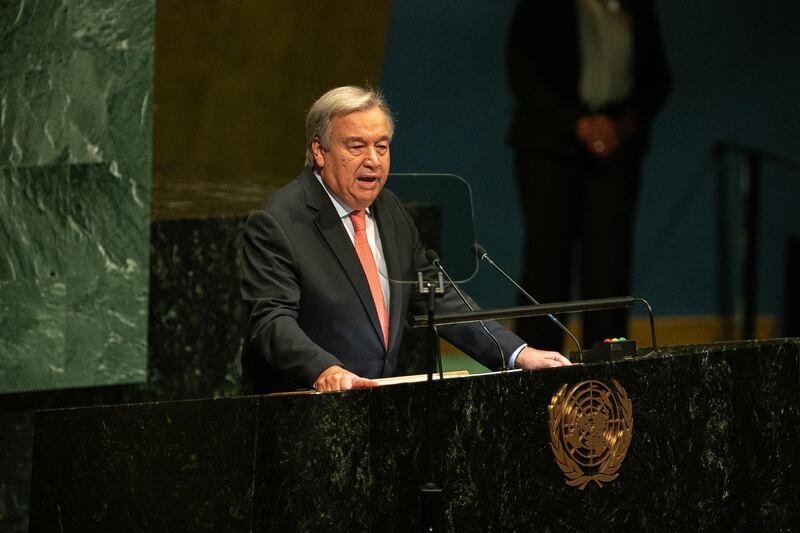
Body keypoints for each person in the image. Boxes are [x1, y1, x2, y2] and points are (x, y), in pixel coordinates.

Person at [241, 85, 570, 393]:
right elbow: (272, 321)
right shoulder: (278, 222)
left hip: (379, 408)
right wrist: (324, 370)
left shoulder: (390, 210)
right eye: (357, 146)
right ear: (320, 151)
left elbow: (438, 298)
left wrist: (518, 353)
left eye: (381, 146)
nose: (373, 159)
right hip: (303, 412)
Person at [507, 0, 671, 351]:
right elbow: (521, 70)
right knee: (546, 266)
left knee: (609, 271)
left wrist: (622, 126)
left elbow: (658, 78)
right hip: (550, 146)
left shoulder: (636, 6)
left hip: (616, 149)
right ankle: (535, 371)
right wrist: (577, 124)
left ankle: (608, 376)